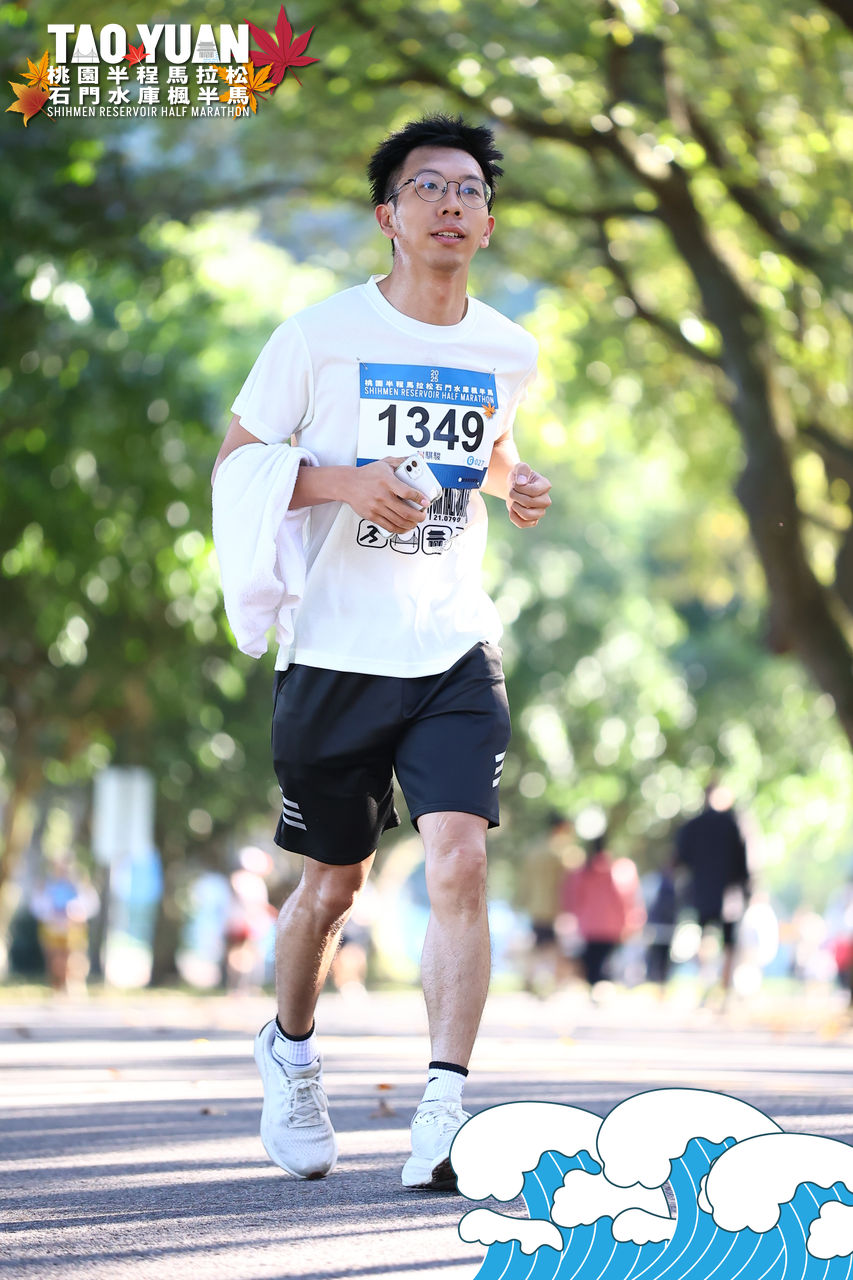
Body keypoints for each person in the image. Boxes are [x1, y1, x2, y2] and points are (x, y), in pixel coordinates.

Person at [212, 115, 552, 1189]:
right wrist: (342, 483)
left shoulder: (507, 349)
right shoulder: (317, 337)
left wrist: (516, 482)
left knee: (460, 858)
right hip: (334, 651)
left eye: (469, 190)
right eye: (427, 188)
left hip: (450, 641)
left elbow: (489, 449)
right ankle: (290, 1051)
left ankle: (444, 1112)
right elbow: (236, 464)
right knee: (332, 887)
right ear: (387, 216)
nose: (451, 203)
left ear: (487, 224)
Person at [674, 782, 750, 999]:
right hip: (728, 895)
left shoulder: (693, 826)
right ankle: (723, 989)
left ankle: (706, 983)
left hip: (703, 892)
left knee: (705, 935)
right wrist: (747, 890)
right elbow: (743, 862)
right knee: (727, 942)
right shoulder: (733, 824)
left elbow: (681, 859)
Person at [561, 835, 645, 990]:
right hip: (611, 927)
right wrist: (631, 921)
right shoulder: (616, 871)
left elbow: (572, 900)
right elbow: (625, 899)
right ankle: (599, 990)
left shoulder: (582, 873)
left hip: (589, 927)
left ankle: (595, 989)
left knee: (594, 964)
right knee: (604, 966)